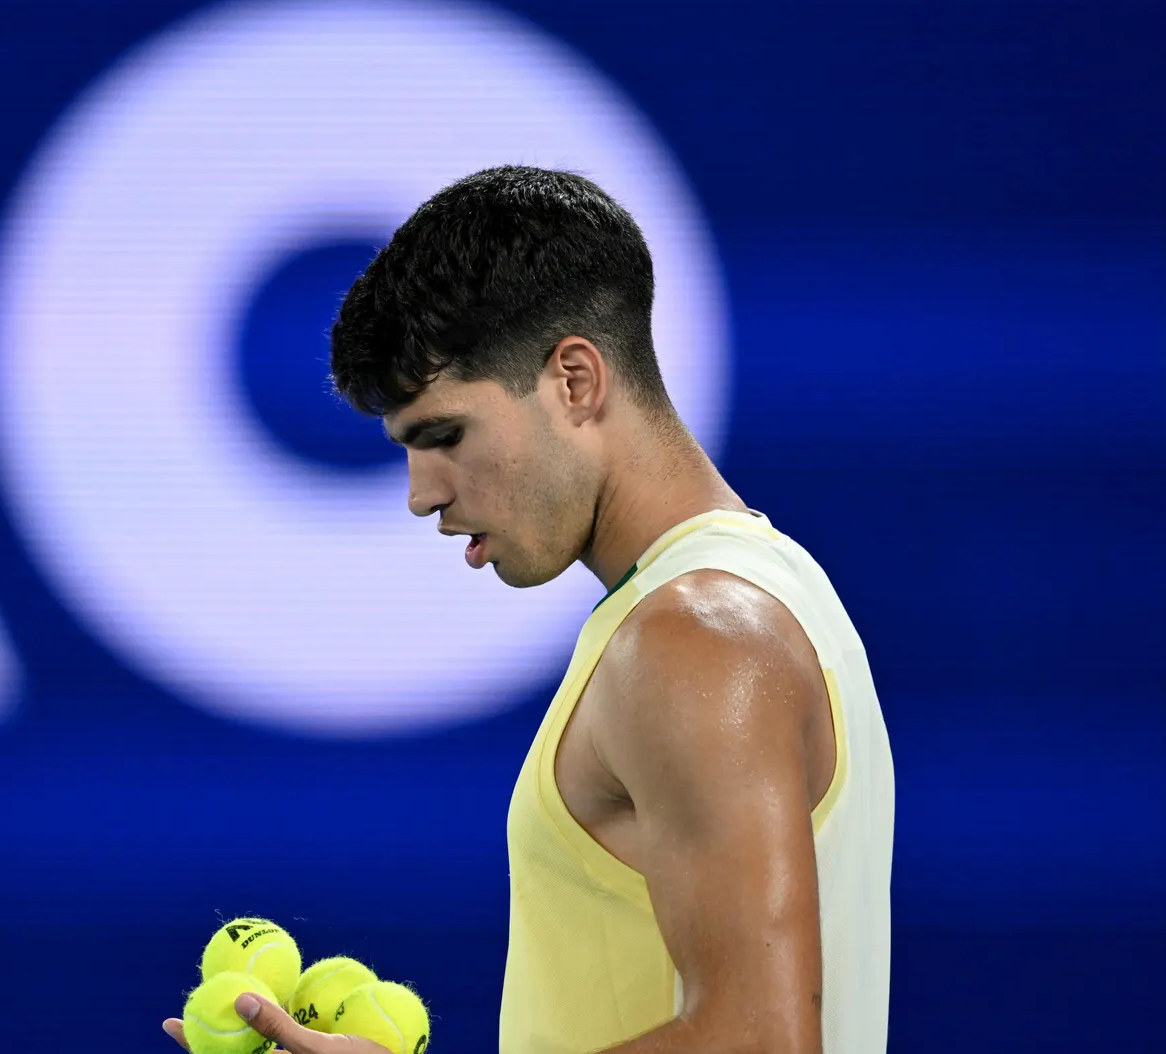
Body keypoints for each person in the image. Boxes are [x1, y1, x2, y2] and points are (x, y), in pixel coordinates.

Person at [162, 166, 894, 1054]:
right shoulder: (751, 595)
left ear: (576, 380)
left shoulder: (694, 634)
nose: (420, 494)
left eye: (445, 435)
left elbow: (762, 1042)